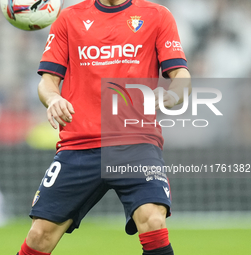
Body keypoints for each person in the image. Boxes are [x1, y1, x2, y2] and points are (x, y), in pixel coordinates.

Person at [17, 0, 191, 254]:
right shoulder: (68, 18)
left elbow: (181, 76)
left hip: (136, 144)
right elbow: (47, 82)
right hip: (79, 145)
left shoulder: (157, 16)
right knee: (40, 235)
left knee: (153, 220)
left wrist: (171, 96)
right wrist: (54, 98)